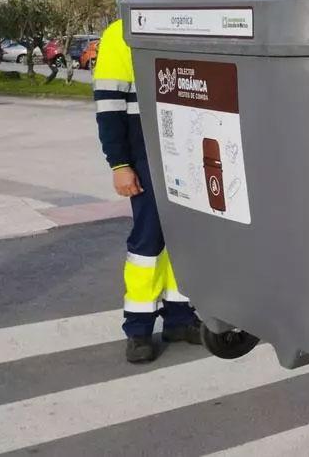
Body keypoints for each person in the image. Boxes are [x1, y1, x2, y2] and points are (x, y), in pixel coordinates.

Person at [94, 18, 202, 363]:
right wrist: (119, 164)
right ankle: (138, 329)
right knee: (148, 243)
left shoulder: (183, 24)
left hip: (185, 151)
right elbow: (108, 105)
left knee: (184, 238)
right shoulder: (120, 33)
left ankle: (180, 318)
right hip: (145, 155)